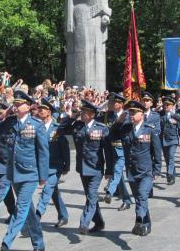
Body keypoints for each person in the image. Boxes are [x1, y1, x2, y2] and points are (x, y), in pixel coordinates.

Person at [0, 90, 48, 251]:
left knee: (21, 208)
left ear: (28, 106)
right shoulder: (9, 123)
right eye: (14, 104)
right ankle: (39, 243)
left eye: (18, 104)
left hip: (30, 174)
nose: (15, 106)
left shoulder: (37, 125)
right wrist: (2, 115)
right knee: (28, 209)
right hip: (13, 173)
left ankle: (6, 242)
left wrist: (43, 176)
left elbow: (43, 152)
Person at [57, 99, 109, 235]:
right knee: (90, 196)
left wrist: (109, 170)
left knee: (91, 195)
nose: (82, 113)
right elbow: (60, 130)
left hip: (96, 167)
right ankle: (99, 222)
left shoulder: (101, 128)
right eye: (82, 111)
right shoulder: (78, 126)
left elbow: (108, 151)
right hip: (82, 167)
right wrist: (72, 117)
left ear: (92, 114)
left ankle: (84, 223)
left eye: (85, 112)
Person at [108, 100, 155, 236]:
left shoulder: (149, 129)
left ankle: (139, 219)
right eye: (130, 112)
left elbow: (156, 151)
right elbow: (111, 136)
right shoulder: (125, 128)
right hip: (132, 171)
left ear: (142, 114)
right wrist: (118, 122)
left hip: (146, 170)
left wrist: (156, 169)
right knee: (140, 198)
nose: (132, 115)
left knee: (141, 195)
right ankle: (146, 222)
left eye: (135, 112)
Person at [35, 97, 70, 227]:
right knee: (53, 191)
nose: (40, 111)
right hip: (42, 166)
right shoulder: (37, 127)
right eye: (39, 108)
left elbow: (65, 148)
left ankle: (38, 214)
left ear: (49, 112)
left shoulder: (57, 129)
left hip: (55, 165)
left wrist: (67, 166)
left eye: (43, 109)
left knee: (47, 189)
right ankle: (63, 215)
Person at [101, 92, 132, 210]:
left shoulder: (128, 116)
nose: (111, 104)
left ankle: (109, 192)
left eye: (114, 102)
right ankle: (127, 200)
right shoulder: (108, 116)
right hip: (110, 148)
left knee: (118, 171)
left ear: (121, 104)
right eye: (110, 102)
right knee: (119, 177)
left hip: (122, 149)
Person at [160, 96, 180, 185]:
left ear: (172, 106)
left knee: (170, 156)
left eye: (168, 105)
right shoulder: (160, 114)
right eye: (164, 104)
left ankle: (169, 174)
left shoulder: (176, 116)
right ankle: (172, 176)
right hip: (163, 140)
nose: (166, 106)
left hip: (173, 139)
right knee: (167, 159)